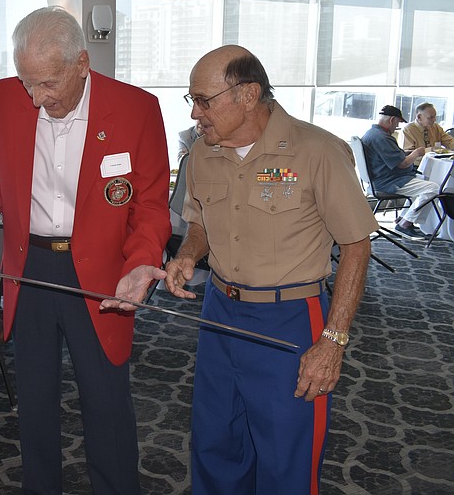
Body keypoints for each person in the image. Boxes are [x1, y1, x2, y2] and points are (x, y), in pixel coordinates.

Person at [0, 6, 171, 493]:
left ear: (82, 63)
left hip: (101, 273)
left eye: (48, 84)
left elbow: (150, 205)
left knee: (106, 401)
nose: (36, 98)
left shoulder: (136, 109)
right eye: (27, 83)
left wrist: (142, 262)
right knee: (34, 402)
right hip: (29, 267)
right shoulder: (3, 99)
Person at [160, 45, 377, 495]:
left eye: (204, 99)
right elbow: (199, 221)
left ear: (247, 94)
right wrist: (187, 254)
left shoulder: (317, 151)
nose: (196, 113)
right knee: (215, 444)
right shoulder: (202, 153)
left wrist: (333, 343)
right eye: (192, 101)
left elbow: (356, 245)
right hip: (220, 314)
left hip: (291, 321)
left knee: (285, 458)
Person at [362, 105, 439, 240]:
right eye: (397, 122)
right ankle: (405, 224)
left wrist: (404, 153)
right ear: (392, 120)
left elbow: (389, 156)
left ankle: (403, 218)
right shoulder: (382, 138)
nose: (397, 126)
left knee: (423, 183)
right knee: (433, 188)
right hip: (388, 181)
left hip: (377, 178)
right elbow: (403, 164)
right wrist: (416, 153)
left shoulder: (371, 133)